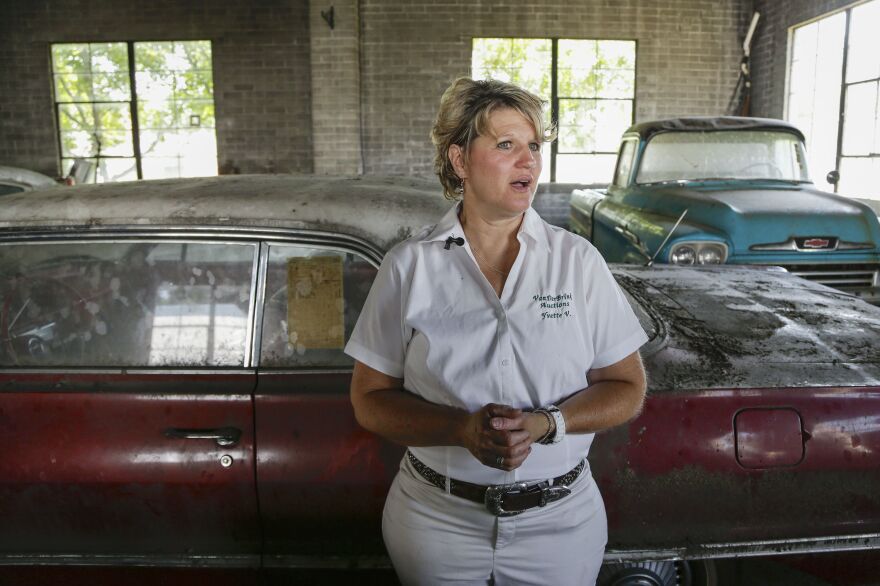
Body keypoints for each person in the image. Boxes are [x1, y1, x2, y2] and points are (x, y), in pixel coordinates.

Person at [345, 77, 648, 586]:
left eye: (533, 146)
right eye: (506, 145)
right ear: (459, 160)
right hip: (437, 524)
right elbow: (370, 399)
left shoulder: (577, 262)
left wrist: (546, 424)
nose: (528, 161)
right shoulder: (409, 267)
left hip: (560, 523)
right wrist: (459, 431)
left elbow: (627, 387)